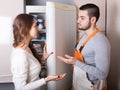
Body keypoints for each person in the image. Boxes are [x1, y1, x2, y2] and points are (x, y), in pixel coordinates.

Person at [57, 3, 111, 90]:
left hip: (90, 85)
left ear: (93, 20)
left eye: (82, 18)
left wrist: (75, 62)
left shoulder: (101, 41)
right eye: (79, 17)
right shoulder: (84, 35)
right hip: (79, 82)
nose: (78, 21)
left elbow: (102, 74)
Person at [11, 13, 66, 90]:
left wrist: (43, 59)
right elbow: (20, 88)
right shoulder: (20, 56)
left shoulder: (27, 47)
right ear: (25, 29)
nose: (38, 28)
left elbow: (31, 69)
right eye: (35, 26)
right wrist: (46, 80)